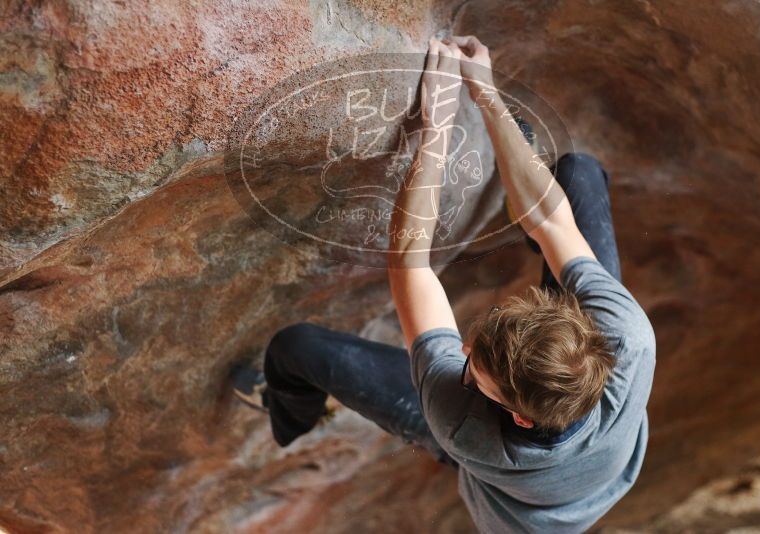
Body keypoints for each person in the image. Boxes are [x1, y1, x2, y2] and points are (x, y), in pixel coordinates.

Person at [232, 36, 656, 533]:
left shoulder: (464, 425)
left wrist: (436, 127)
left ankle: (294, 414)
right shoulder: (626, 337)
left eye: (472, 370)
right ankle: (518, 168)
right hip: (605, 465)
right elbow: (553, 222)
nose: (464, 354)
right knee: (578, 174)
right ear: (572, 321)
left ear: (516, 417)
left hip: (519, 507)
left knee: (296, 348)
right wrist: (484, 93)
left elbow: (410, 264)